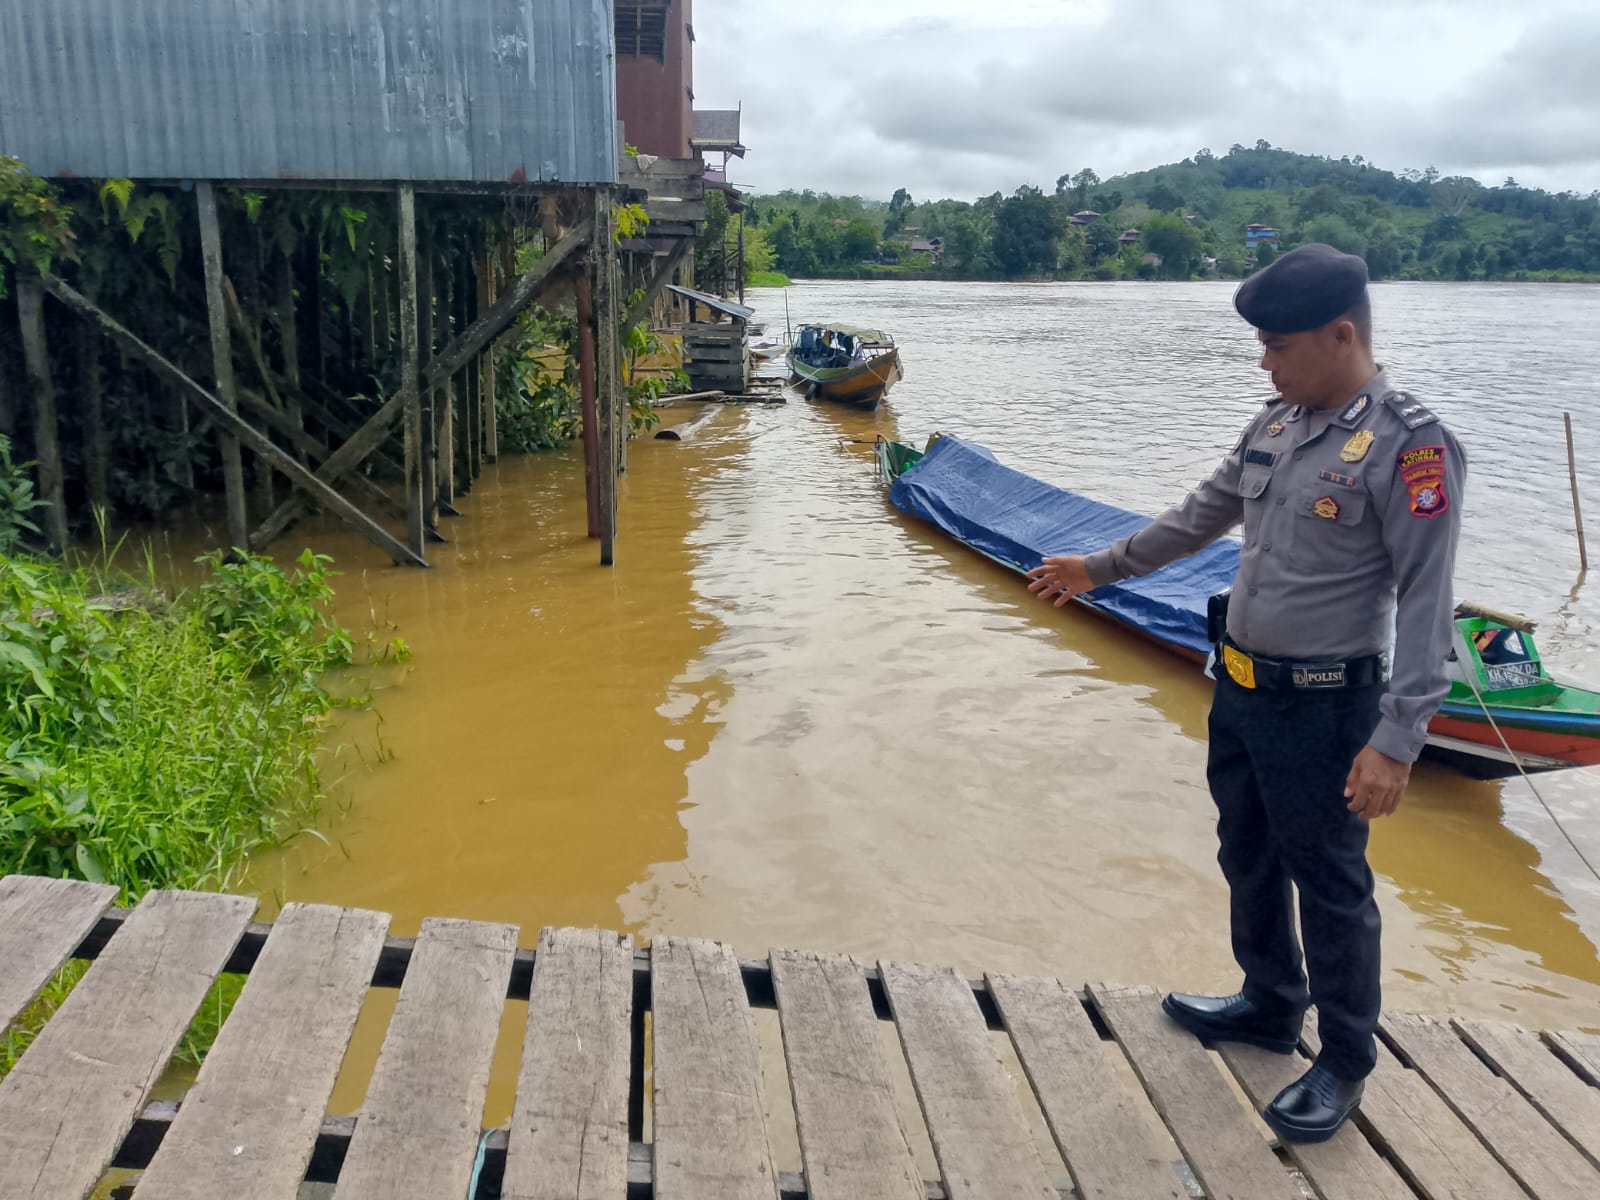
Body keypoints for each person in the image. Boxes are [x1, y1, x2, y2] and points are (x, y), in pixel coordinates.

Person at [1026, 243, 1465, 1143]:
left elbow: (1427, 601)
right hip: (1243, 688)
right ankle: (1270, 1003)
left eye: (1276, 345)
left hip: (1328, 704)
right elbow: (1198, 516)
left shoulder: (1411, 447)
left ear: (1341, 335)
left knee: (1332, 884)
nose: (1263, 361)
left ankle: (1343, 1060)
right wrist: (1098, 569)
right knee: (1249, 855)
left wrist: (1398, 739)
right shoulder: (1276, 425)